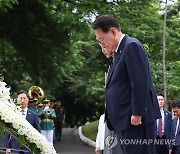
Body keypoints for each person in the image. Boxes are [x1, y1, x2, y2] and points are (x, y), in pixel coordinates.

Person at [92, 14, 161, 154]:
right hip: (126, 120)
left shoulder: (131, 46)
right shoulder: (119, 51)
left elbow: (139, 82)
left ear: (112, 32)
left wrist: (137, 113)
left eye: (101, 40)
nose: (101, 44)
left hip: (136, 120)